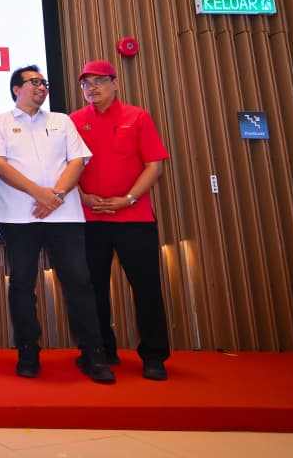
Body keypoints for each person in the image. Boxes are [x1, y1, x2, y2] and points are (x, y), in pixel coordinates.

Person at [0, 65, 115, 383]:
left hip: (64, 215)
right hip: (18, 217)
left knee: (79, 283)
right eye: (34, 82)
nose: (42, 87)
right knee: (22, 285)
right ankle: (28, 353)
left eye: (44, 82)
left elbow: (78, 161)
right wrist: (39, 193)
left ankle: (93, 355)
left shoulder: (61, 121)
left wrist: (55, 196)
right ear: (16, 89)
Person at [70, 60, 171, 381]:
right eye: (86, 84)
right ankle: (101, 351)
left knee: (146, 287)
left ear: (115, 83)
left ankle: (154, 356)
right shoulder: (74, 121)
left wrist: (128, 199)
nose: (92, 88)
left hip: (134, 217)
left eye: (98, 81)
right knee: (92, 289)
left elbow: (154, 166)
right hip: (90, 218)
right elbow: (65, 166)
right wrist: (83, 196)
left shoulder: (137, 117)